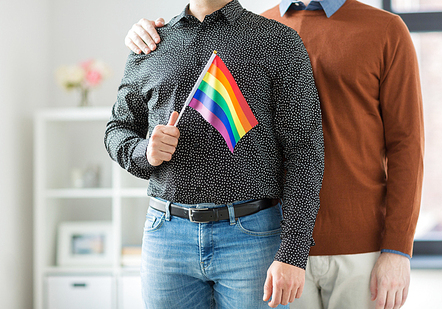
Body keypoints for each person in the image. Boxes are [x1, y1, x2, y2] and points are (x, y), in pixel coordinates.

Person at [123, 0, 424, 309]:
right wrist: (143, 35)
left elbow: (407, 145)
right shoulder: (257, 27)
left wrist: (398, 249)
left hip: (356, 246)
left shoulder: (384, 29)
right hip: (273, 242)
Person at [105, 0, 324, 308]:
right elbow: (117, 128)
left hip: (253, 237)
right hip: (166, 238)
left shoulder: (278, 42)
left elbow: (305, 151)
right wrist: (146, 152)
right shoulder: (151, 43)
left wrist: (293, 253)